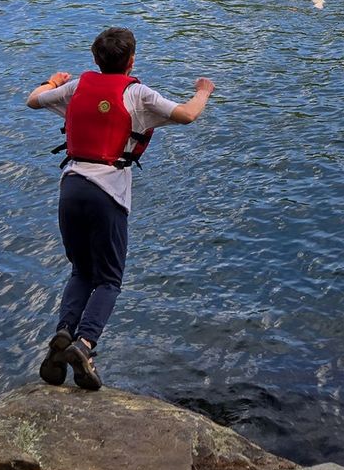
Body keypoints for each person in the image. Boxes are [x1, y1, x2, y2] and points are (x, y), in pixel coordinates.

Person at [26, 27, 215, 391]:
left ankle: (64, 332)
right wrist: (203, 91)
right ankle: (84, 344)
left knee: (81, 270)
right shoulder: (137, 94)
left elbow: (33, 99)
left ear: (95, 59)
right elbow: (188, 115)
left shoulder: (77, 86)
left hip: (71, 186)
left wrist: (51, 80)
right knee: (109, 279)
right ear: (131, 61)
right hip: (107, 193)